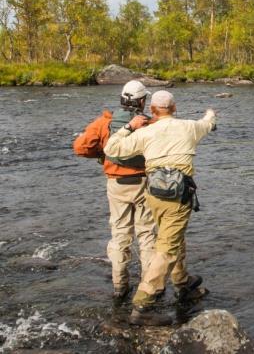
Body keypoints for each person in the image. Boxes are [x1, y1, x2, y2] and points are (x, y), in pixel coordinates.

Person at [104, 90, 216, 326]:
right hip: (178, 194)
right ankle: (143, 304)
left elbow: (111, 150)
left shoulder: (145, 131)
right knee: (167, 246)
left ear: (152, 111)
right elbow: (208, 124)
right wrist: (211, 113)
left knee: (172, 237)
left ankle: (182, 283)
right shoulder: (189, 127)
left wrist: (129, 127)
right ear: (174, 108)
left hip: (153, 194)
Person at [73, 80, 156, 302]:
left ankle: (120, 286)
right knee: (147, 235)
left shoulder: (104, 123)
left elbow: (80, 148)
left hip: (117, 185)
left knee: (120, 236)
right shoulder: (151, 124)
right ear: (141, 102)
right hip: (145, 184)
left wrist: (103, 155)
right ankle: (149, 286)